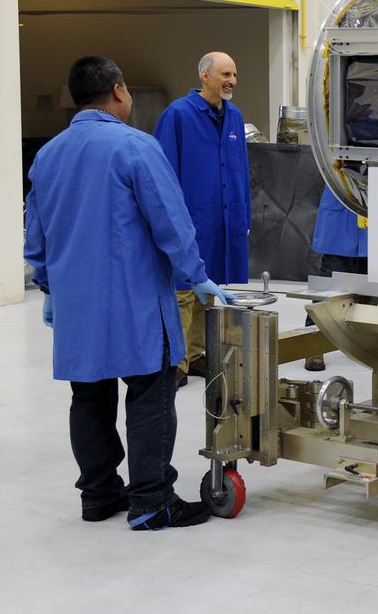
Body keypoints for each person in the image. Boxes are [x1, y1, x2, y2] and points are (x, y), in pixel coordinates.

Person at [24, 56, 236, 530]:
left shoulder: (48, 155)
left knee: (89, 396)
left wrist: (47, 285)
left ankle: (99, 496)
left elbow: (35, 232)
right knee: (151, 390)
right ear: (119, 91)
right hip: (134, 299)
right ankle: (152, 501)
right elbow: (170, 220)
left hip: (77, 303)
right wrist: (197, 275)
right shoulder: (135, 146)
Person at [154, 52, 251, 387]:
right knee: (182, 289)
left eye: (234, 75)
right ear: (205, 76)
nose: (232, 81)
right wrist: (170, 221)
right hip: (190, 217)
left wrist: (242, 216)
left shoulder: (235, 116)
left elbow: (242, 169)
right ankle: (176, 362)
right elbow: (163, 173)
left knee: (209, 288)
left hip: (223, 218)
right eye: (225, 74)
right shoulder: (178, 115)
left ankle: (195, 354)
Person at [304, 187, 378, 371]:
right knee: (328, 286)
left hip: (373, 205)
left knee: (373, 287)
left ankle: (366, 342)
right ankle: (313, 344)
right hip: (341, 206)